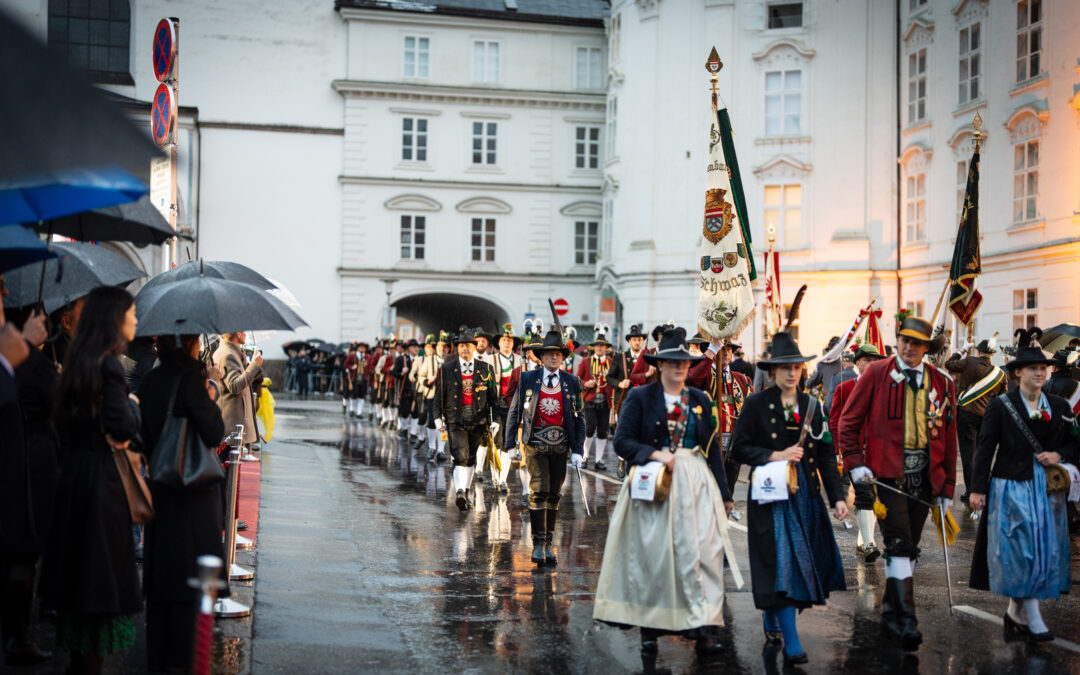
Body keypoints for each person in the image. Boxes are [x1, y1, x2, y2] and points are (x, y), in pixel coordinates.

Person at [594, 328, 736, 662]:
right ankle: (650, 634)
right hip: (653, 486)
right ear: (659, 365)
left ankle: (701, 631)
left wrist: (724, 494)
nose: (679, 367)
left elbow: (712, 449)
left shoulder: (700, 401)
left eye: (684, 362)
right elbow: (622, 442)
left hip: (694, 487)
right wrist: (654, 454)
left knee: (698, 557)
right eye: (672, 362)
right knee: (654, 559)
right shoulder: (641, 397)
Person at [839, 315, 957, 652]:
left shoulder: (942, 382)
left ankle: (891, 611)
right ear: (898, 340)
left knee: (908, 548)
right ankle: (907, 620)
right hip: (887, 479)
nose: (909, 347)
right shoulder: (876, 373)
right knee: (900, 544)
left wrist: (947, 488)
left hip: (926, 479)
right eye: (904, 340)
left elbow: (949, 439)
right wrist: (855, 462)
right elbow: (849, 421)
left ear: (926, 349)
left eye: (917, 343)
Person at [40, 287, 142, 675]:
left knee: (80, 594)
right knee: (99, 593)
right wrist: (132, 408)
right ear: (115, 319)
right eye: (131, 313)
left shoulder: (79, 359)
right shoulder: (110, 365)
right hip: (101, 489)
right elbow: (121, 425)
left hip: (75, 485)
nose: (135, 319)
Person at [731, 331, 848, 667]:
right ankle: (791, 642)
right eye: (784, 368)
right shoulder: (754, 405)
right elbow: (739, 449)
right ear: (772, 371)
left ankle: (774, 612)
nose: (791, 372)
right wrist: (775, 455)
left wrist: (838, 498)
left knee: (801, 568)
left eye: (796, 366)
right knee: (781, 567)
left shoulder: (814, 406)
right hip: (769, 500)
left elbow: (826, 455)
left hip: (806, 498)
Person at [969, 328, 1079, 642]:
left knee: (1041, 552)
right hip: (1011, 489)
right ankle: (1033, 618)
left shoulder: (1060, 407)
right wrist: (977, 489)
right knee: (1022, 551)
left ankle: (1014, 614)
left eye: (1043, 368)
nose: (1040, 372)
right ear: (1017, 373)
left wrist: (1059, 454)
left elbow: (1076, 446)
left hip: (1047, 491)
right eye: (1033, 368)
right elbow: (985, 449)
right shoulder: (1001, 405)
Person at [138, 334, 226, 672]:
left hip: (160, 491)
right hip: (192, 495)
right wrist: (213, 388)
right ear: (190, 343)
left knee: (161, 593)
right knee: (189, 597)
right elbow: (213, 432)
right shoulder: (192, 380)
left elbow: (143, 436)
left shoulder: (150, 380)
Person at [504, 329, 586, 565]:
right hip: (535, 444)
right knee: (539, 489)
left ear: (563, 357)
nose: (554, 358)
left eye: (558, 354)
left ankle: (549, 543)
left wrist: (579, 449)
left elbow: (580, 418)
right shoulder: (528, 379)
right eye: (549, 354)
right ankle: (538, 544)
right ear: (541, 357)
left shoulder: (573, 382)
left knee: (554, 494)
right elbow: (515, 411)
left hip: (561, 446)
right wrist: (510, 444)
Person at [3, 309, 51, 665]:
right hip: (23, 459)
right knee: (23, 549)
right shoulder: (19, 352)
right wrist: (28, 349)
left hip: (29, 457)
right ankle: (18, 634)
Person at [829, 344, 886, 563]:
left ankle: (864, 542)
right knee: (863, 493)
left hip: (877, 450)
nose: (871, 364)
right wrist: (837, 450)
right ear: (858, 363)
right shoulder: (845, 388)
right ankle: (870, 544)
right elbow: (835, 420)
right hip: (854, 450)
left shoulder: (883, 388)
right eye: (867, 360)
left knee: (872, 495)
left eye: (875, 360)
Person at [433, 330, 498, 511]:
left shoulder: (486, 369)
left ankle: (466, 491)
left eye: (468, 346)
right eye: (461, 346)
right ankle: (460, 491)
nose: (464, 349)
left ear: (474, 347)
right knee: (460, 455)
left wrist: (496, 420)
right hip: (455, 419)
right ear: (457, 348)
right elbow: (439, 396)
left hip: (478, 420)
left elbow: (494, 398)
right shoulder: (446, 369)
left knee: (471, 458)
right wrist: (437, 417)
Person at [688, 338, 752, 506]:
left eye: (729, 349)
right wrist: (711, 352)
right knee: (706, 492)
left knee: (727, 493)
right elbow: (692, 379)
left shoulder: (742, 380)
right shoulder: (704, 374)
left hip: (733, 444)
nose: (726, 353)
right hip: (709, 444)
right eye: (722, 349)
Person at [945, 338, 1007, 502]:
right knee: (983, 453)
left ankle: (971, 490)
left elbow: (949, 364)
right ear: (992, 355)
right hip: (988, 417)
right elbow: (1003, 398)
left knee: (968, 454)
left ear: (979, 352)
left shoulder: (969, 361)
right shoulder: (1000, 374)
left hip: (967, 414)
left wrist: (962, 351)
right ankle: (983, 487)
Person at [606, 324, 649, 478]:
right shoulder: (620, 357)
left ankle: (637, 462)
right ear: (629, 342)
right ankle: (621, 460)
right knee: (624, 432)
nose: (637, 342)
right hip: (624, 400)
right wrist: (619, 383)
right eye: (634, 340)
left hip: (643, 401)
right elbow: (609, 377)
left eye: (639, 339)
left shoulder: (648, 357)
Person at [485, 325, 522, 492]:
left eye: (510, 340)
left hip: (513, 406)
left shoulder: (521, 361)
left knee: (509, 442)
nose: (507, 343)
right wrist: (493, 379)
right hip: (496, 405)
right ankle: (495, 476)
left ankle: (503, 480)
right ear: (498, 343)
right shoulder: (489, 360)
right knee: (496, 441)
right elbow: (482, 383)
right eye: (504, 340)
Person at [214, 333, 263, 449]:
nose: (245, 334)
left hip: (232, 427)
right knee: (229, 464)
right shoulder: (228, 354)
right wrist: (254, 366)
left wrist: (249, 364)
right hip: (230, 428)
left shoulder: (232, 353)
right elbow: (234, 386)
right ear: (238, 334)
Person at [577, 331, 613, 470]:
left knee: (603, 430)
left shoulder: (610, 362)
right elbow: (578, 379)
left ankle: (599, 459)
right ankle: (585, 456)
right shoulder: (586, 361)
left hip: (605, 401)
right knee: (589, 428)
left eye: (602, 346)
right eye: (597, 345)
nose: (599, 348)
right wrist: (586, 383)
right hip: (590, 400)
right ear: (594, 347)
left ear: (606, 348)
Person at [415, 334, 445, 458]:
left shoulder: (452, 361)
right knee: (432, 421)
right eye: (439, 347)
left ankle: (441, 450)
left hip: (447, 397)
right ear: (436, 348)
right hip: (432, 395)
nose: (442, 350)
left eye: (444, 348)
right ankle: (432, 447)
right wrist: (427, 381)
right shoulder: (429, 360)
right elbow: (420, 376)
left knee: (444, 423)